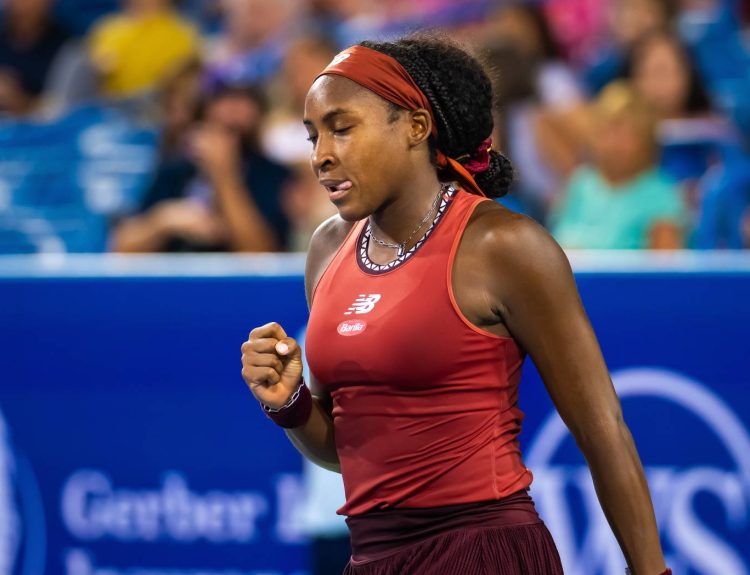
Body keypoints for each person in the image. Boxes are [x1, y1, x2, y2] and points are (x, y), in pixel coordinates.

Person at [240, 35, 671, 574]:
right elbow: (345, 453)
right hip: (371, 558)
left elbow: (602, 429)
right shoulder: (327, 249)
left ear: (416, 127)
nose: (321, 155)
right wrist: (290, 403)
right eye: (313, 135)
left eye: (342, 128)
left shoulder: (504, 245)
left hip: (484, 553)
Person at [112, 83, 291, 253]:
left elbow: (261, 254)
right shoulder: (176, 171)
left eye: (244, 99)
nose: (234, 111)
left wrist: (224, 175)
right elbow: (123, 247)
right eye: (224, 99)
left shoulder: (271, 174)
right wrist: (165, 221)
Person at [551, 81, 686, 249]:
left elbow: (666, 262)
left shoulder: (661, 195)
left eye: (625, 134)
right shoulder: (580, 183)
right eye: (606, 131)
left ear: (645, 140)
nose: (613, 143)